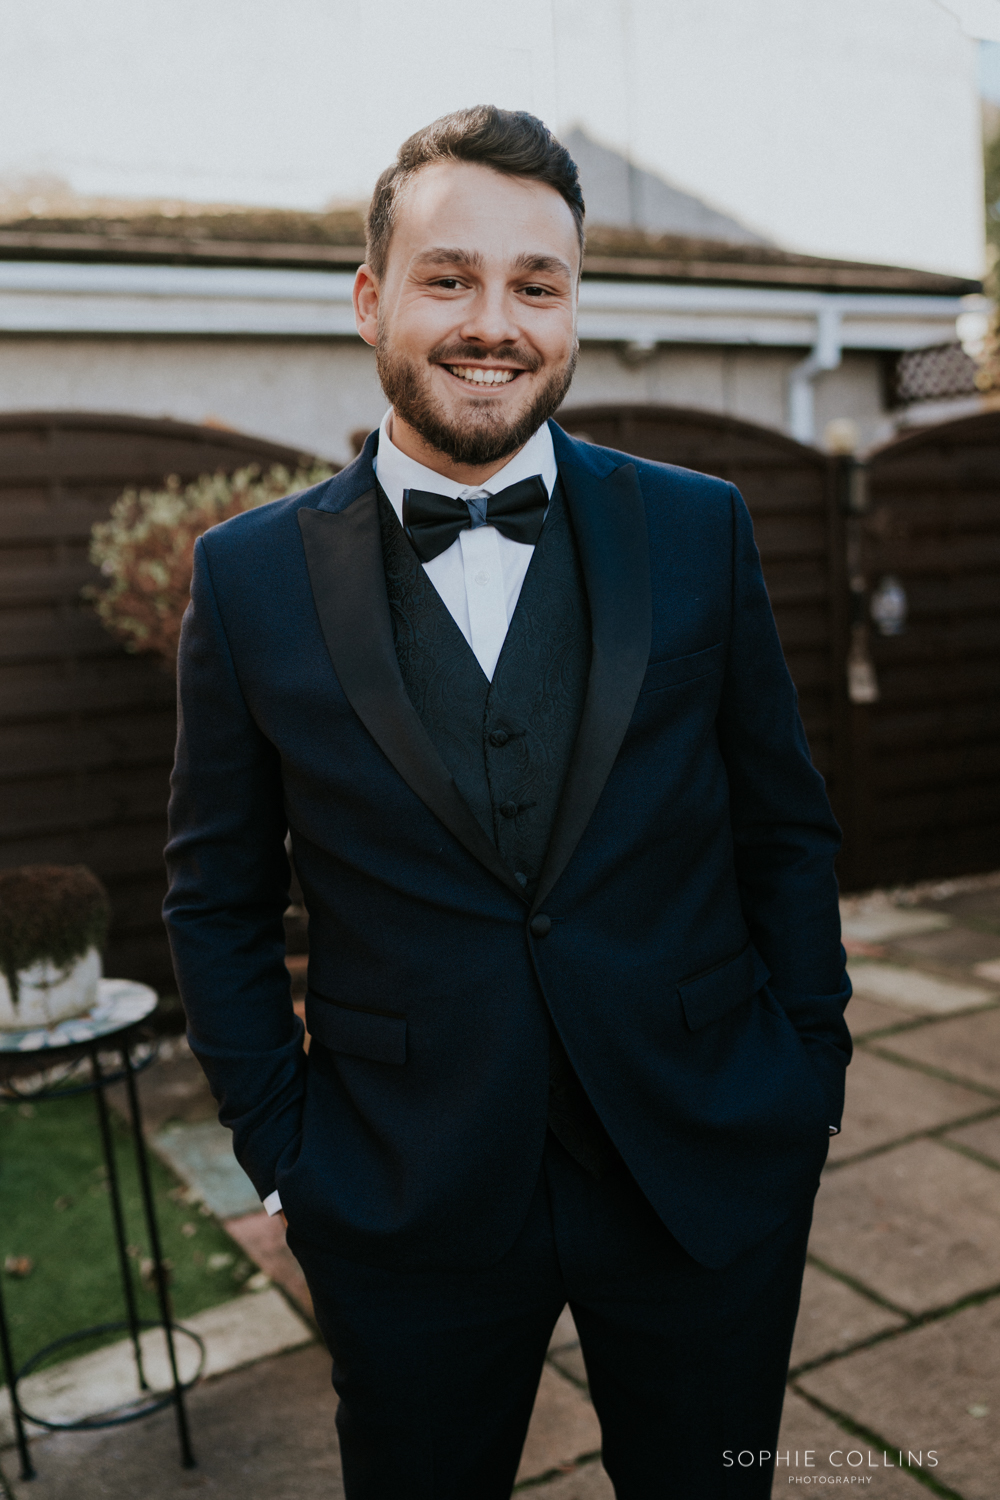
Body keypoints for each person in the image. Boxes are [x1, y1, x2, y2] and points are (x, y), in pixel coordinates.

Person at [164, 105, 851, 1500]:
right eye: (451, 277)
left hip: (704, 1159)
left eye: (537, 285)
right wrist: (286, 1159)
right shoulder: (246, 581)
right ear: (372, 299)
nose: (496, 321)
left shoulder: (698, 528)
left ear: (575, 307)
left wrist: (810, 1077)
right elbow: (214, 897)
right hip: (402, 1190)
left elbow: (782, 823)